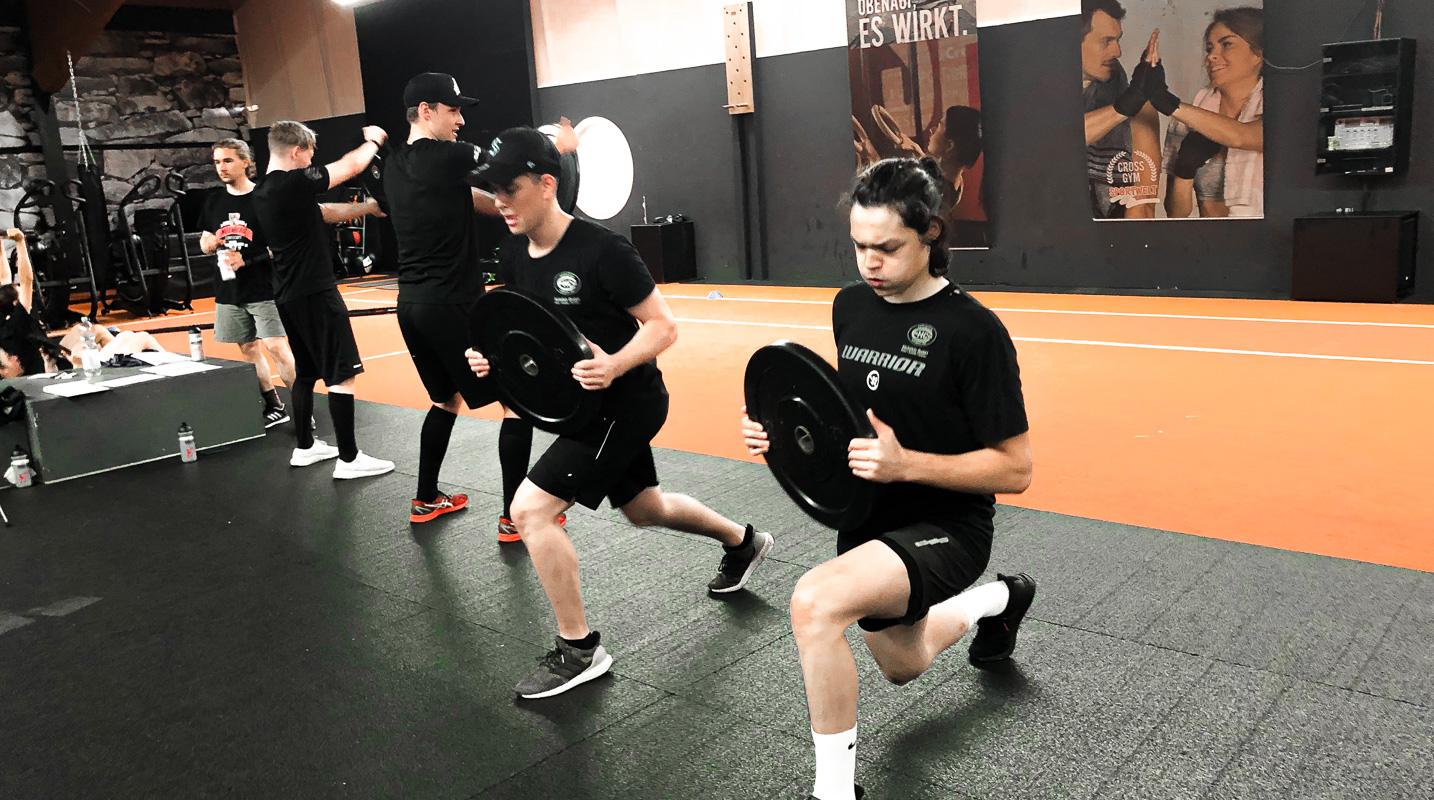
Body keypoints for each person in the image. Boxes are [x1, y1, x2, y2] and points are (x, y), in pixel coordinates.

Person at [741, 157, 1035, 800]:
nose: (869, 263)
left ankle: (835, 791)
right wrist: (778, 439)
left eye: (887, 247)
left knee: (814, 603)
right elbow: (843, 421)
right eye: (858, 246)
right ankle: (1000, 601)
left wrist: (910, 466)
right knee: (904, 665)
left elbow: (1016, 470)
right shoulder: (850, 308)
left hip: (947, 525)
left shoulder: (975, 333)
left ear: (931, 234)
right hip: (867, 517)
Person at [464, 127, 774, 699]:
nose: (499, 200)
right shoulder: (510, 252)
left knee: (530, 510)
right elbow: (524, 331)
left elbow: (663, 326)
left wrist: (614, 365)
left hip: (625, 403)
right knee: (644, 508)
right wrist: (491, 359)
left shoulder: (603, 250)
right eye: (492, 189)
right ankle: (743, 542)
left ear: (546, 183)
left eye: (509, 187)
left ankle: (580, 650)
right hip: (581, 408)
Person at [382, 72, 578, 530]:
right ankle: (515, 518)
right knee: (515, 402)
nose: (461, 120)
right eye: (453, 110)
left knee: (445, 401)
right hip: (453, 304)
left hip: (410, 305)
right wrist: (558, 143)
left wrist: (513, 211)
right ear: (427, 111)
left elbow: (467, 199)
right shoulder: (447, 155)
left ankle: (425, 499)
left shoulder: (396, 164)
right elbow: (508, 157)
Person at [252, 120, 393, 479]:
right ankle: (349, 458)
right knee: (341, 372)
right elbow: (349, 167)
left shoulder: (266, 191)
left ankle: (306, 447)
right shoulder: (292, 181)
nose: (312, 159)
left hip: (289, 293)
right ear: (297, 151)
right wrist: (374, 141)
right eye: (310, 153)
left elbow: (324, 213)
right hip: (315, 291)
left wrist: (369, 208)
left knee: (307, 372)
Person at [198, 138, 299, 428]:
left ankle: (302, 409)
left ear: (245, 162)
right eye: (217, 162)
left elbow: (279, 245)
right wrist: (209, 243)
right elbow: (204, 238)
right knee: (247, 349)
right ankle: (273, 406)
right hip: (229, 288)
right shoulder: (214, 200)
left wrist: (248, 259)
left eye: (228, 160)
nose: (221, 167)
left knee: (277, 347)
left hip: (264, 286)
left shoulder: (263, 198)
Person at [1150, 8, 1265, 218]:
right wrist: (1185, 170)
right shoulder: (1188, 119)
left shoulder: (1277, 106)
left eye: (1227, 44)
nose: (1212, 55)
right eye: (1210, 48)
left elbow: (1242, 136)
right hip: (1209, 241)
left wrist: (1167, 102)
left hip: (1262, 241)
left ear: (1259, 54)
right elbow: (1176, 214)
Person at [1080, 0, 1161, 219]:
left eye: (1118, 40)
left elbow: (1143, 205)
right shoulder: (1035, 95)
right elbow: (1050, 142)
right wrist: (1124, 106)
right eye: (1106, 41)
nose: (1118, 51)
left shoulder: (1140, 107)